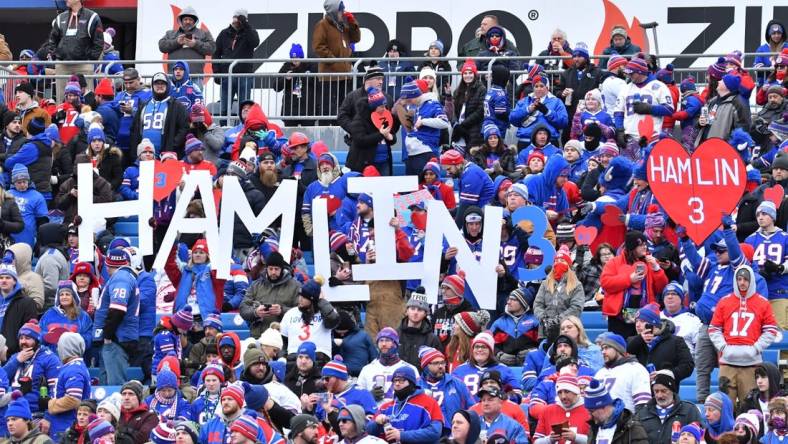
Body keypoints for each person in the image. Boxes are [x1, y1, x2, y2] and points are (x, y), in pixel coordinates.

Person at [709, 264, 778, 407]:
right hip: (727, 362)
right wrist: (724, 347)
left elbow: (771, 330)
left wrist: (756, 348)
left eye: (745, 279)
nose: (742, 282)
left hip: (751, 364)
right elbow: (713, 328)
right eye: (739, 279)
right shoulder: (724, 302)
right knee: (725, 406)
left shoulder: (762, 303)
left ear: (751, 280)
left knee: (750, 405)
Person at [600, 231, 668, 338]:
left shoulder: (650, 262)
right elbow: (605, 283)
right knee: (620, 349)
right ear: (632, 247)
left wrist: (656, 268)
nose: (645, 247)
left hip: (644, 315)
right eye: (641, 245)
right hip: (619, 317)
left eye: (645, 244)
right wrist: (629, 279)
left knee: (643, 348)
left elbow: (661, 287)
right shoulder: (614, 262)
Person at [613, 54, 674, 161]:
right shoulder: (625, 88)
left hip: (651, 138)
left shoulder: (659, 86)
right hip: (630, 138)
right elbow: (618, 112)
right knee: (628, 173)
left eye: (632, 73)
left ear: (640, 72)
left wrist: (649, 108)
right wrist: (619, 130)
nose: (629, 76)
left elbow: (669, 109)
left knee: (648, 172)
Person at [93, 248, 139, 385]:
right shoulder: (125, 277)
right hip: (117, 338)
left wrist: (107, 336)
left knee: (115, 386)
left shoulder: (121, 277)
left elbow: (117, 310)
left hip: (116, 339)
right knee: (107, 386)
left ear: (107, 265)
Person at [45, 0, 103, 102]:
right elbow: (52, 40)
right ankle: (62, 118)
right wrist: (57, 56)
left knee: (87, 99)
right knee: (61, 100)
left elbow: (98, 42)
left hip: (83, 65)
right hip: (63, 65)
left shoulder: (92, 16)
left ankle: (86, 117)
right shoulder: (60, 18)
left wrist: (89, 58)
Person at [367, 366, 443, 443]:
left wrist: (402, 435)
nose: (397, 384)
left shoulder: (429, 402)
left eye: (401, 381)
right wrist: (376, 423)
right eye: (395, 380)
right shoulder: (385, 407)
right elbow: (368, 432)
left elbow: (435, 432)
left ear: (411, 383)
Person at [312, 0, 360, 119]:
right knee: (329, 109)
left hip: (344, 75)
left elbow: (356, 38)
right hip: (330, 76)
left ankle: (342, 128)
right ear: (333, 11)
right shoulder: (322, 25)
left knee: (343, 108)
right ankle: (327, 131)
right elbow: (318, 46)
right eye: (340, 10)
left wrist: (352, 22)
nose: (343, 13)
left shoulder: (342, 27)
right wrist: (332, 59)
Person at [744, 201, 788, 329]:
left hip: (779, 292)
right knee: (756, 332)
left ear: (773, 216)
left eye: (764, 213)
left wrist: (779, 268)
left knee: (780, 333)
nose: (760, 217)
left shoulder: (785, 238)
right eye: (758, 215)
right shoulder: (750, 239)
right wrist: (756, 272)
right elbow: (745, 265)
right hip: (756, 294)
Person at [626, 304, 695, 385]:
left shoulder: (676, 341)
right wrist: (640, 339)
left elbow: (688, 366)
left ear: (653, 323)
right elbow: (627, 351)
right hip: (639, 390)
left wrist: (666, 374)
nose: (637, 325)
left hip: (666, 389)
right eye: (636, 321)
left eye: (642, 321)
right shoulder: (632, 340)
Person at [40, 332, 90, 440]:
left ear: (67, 348)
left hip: (67, 426)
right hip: (62, 425)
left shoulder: (74, 369)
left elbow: (73, 399)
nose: (58, 350)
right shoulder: (71, 367)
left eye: (60, 346)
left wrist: (49, 403)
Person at [280, 276, 339, 366]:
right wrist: (283, 358)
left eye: (304, 297)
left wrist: (322, 301)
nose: (300, 299)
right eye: (300, 295)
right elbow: (283, 341)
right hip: (294, 358)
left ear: (312, 299)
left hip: (319, 358)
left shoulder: (324, 312)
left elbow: (333, 321)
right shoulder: (290, 313)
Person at [240, 251, 301, 338]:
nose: (273, 272)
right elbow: (243, 308)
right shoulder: (255, 285)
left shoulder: (295, 286)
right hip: (259, 336)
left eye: (276, 269)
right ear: (266, 268)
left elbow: (301, 311)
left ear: (282, 269)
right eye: (271, 269)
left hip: (284, 337)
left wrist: (282, 311)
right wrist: (256, 312)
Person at [129, 72, 189, 157]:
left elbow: (184, 128)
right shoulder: (144, 105)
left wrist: (172, 146)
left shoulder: (177, 106)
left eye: (162, 83)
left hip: (167, 157)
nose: (159, 86)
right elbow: (134, 129)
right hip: (144, 156)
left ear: (167, 85)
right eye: (157, 83)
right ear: (152, 86)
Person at [633, 370, 703, 444]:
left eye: (663, 391)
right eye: (656, 391)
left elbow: (699, 436)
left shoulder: (689, 410)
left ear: (672, 390)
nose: (659, 395)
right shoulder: (643, 413)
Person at [214, 10, 261, 113]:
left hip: (244, 76)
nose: (236, 20)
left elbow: (255, 42)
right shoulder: (224, 33)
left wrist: (246, 25)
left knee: (245, 108)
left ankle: (244, 128)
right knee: (224, 108)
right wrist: (217, 73)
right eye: (235, 17)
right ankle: (223, 128)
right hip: (227, 76)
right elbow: (216, 53)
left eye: (239, 18)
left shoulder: (250, 32)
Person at [347, 86, 400, 175]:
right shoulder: (359, 119)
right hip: (366, 163)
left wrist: (390, 137)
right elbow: (360, 140)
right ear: (373, 106)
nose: (384, 108)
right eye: (381, 106)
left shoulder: (385, 115)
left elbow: (392, 134)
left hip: (384, 161)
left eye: (385, 106)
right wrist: (380, 135)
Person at [417, 346, 473, 430]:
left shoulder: (457, 383)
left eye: (442, 363)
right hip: (425, 435)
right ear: (425, 366)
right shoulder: (416, 386)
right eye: (436, 363)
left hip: (452, 435)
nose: (440, 366)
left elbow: (472, 408)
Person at [401, 79, 450, 175]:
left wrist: (423, 122)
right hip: (412, 154)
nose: (409, 103)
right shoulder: (417, 106)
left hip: (425, 152)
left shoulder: (432, 103)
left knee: (425, 186)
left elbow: (444, 122)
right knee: (413, 188)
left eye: (409, 100)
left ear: (415, 95)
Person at [357, 328, 418, 404]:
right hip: (374, 413)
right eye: (381, 340)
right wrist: (369, 395)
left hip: (400, 412)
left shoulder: (410, 369)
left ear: (395, 344)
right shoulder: (367, 369)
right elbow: (357, 396)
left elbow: (417, 395)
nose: (383, 344)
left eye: (388, 340)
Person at [452, 332, 521, 399]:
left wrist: (502, 398)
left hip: (494, 409)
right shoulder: (459, 370)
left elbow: (517, 395)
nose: (479, 349)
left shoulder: (504, 369)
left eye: (484, 347)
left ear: (491, 351)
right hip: (466, 410)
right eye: (476, 347)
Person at [534, 247, 585, 338]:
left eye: (562, 260)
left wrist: (558, 320)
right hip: (546, 331)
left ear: (568, 264)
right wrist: (544, 319)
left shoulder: (576, 285)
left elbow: (576, 307)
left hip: (568, 331)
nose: (558, 263)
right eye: (556, 261)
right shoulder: (545, 283)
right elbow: (538, 304)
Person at [594, 333, 651, 413]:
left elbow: (642, 404)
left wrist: (635, 424)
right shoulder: (600, 373)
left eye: (606, 348)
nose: (603, 352)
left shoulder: (636, 369)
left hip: (626, 422)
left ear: (618, 349)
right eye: (602, 349)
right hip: (603, 422)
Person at [439, 149, 495, 226]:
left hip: (490, 211)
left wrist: (455, 231)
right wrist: (447, 212)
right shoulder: (468, 170)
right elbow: (465, 206)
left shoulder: (470, 174)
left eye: (449, 169)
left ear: (458, 164)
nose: (447, 173)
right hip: (483, 208)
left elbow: (465, 207)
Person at [510, 74, 568, 148]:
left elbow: (563, 122)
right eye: (536, 86)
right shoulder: (524, 101)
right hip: (526, 141)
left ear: (547, 88)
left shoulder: (556, 102)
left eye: (541, 86)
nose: (539, 89)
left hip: (549, 142)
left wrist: (547, 112)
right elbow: (512, 119)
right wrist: (527, 110)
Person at [584, 379, 649, 444]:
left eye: (591, 411)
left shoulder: (631, 427)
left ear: (603, 407)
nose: (589, 416)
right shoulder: (594, 428)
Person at [157, 6, 215, 75]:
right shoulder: (170, 33)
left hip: (195, 76)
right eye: (185, 19)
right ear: (181, 21)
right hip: (174, 76)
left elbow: (212, 49)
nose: (188, 22)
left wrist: (195, 44)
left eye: (190, 20)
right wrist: (176, 42)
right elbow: (162, 46)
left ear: (194, 21)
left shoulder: (204, 33)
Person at [533, 375, 590, 444]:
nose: (563, 396)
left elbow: (598, 440)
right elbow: (536, 441)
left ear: (576, 392)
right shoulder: (547, 411)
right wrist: (549, 439)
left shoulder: (589, 410)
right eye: (560, 392)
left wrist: (576, 437)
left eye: (567, 391)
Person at [696, 73, 750, 144]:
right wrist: (700, 122)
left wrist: (731, 145)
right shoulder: (713, 101)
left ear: (728, 86)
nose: (719, 81)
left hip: (722, 149)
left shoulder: (738, 104)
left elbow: (743, 128)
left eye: (722, 80)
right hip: (705, 146)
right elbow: (704, 121)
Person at [39, 281, 93, 352]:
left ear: (73, 297)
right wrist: (48, 335)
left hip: (73, 357)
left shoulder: (82, 316)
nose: (64, 297)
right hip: (52, 359)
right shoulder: (49, 314)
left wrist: (74, 339)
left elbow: (89, 337)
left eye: (67, 294)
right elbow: (39, 333)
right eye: (61, 295)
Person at [397, 290, 442, 369]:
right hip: (398, 380)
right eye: (412, 308)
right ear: (407, 311)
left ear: (425, 313)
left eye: (420, 310)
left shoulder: (432, 339)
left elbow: (438, 366)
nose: (415, 312)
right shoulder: (396, 335)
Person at [451, 59, 487, 151]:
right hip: (459, 131)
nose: (467, 75)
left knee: (472, 158)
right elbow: (453, 110)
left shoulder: (481, 89)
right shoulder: (457, 91)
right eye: (465, 73)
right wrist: (456, 124)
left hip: (474, 131)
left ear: (475, 74)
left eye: (470, 73)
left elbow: (480, 111)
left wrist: (464, 124)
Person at [659, 283, 703, 356]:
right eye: (667, 294)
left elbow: (700, 349)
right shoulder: (655, 317)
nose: (670, 297)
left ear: (681, 298)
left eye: (674, 294)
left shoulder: (693, 320)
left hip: (686, 362)